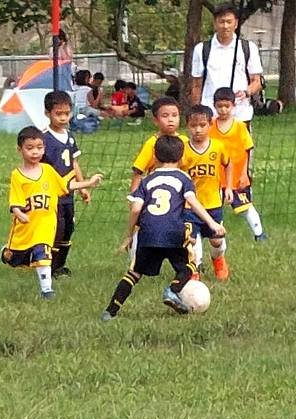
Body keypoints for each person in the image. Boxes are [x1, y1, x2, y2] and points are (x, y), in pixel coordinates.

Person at [101, 135, 225, 321]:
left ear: (155, 158)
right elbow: (193, 202)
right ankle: (172, 289)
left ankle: (110, 311)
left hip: (148, 233)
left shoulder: (147, 180)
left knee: (133, 273)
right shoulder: (183, 178)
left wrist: (129, 235)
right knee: (189, 267)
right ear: (182, 157)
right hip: (174, 232)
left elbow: (135, 208)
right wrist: (212, 223)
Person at [1, 126, 102, 299]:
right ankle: (6, 253)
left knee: (43, 252)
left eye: (39, 148)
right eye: (30, 148)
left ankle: (47, 290)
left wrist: (87, 183)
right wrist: (19, 213)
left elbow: (65, 186)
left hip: (47, 223)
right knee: (15, 258)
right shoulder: (17, 175)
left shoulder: (48, 171)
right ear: (20, 150)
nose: (35, 152)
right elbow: (15, 201)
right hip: (26, 226)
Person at [42, 91, 91, 277]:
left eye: (67, 113)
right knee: (56, 229)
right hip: (52, 195)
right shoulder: (44, 138)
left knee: (68, 229)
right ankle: (49, 268)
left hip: (69, 194)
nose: (63, 118)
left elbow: (74, 163)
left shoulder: (69, 137)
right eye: (58, 114)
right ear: (48, 113)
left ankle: (60, 265)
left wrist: (83, 186)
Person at [181, 105, 232, 281]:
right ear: (187, 126)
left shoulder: (218, 147)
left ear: (210, 125)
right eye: (193, 125)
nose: (198, 130)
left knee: (216, 240)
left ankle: (218, 260)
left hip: (213, 203)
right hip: (190, 206)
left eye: (202, 125)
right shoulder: (183, 150)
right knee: (192, 240)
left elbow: (228, 164)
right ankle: (193, 270)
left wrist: (229, 188)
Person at [191, 2, 263, 125]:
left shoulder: (248, 48)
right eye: (221, 21)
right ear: (215, 23)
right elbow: (196, 85)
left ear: (236, 23)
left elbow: (257, 81)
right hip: (211, 114)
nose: (225, 26)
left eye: (229, 22)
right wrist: (196, 113)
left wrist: (246, 92)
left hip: (240, 114)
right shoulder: (202, 49)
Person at [210, 87, 267, 241]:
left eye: (227, 106)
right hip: (216, 178)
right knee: (211, 208)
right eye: (219, 106)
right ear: (214, 106)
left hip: (236, 177)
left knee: (245, 207)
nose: (223, 110)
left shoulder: (240, 127)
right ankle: (212, 234)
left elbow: (248, 150)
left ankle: (259, 234)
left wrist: (243, 174)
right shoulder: (210, 127)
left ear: (233, 106)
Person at [129, 97, 188, 193]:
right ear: (155, 120)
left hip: (181, 193)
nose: (170, 119)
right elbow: (138, 172)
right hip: (157, 193)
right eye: (165, 116)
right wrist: (134, 198)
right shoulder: (151, 143)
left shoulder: (186, 141)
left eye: (174, 115)